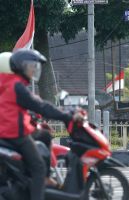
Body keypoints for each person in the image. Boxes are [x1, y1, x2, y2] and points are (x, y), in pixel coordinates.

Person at [0, 49, 77, 200]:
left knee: (44, 136)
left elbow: (22, 106)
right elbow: (40, 105)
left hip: (7, 130)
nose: (34, 69)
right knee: (39, 167)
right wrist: (65, 115)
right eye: (30, 66)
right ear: (20, 67)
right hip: (14, 133)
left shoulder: (8, 83)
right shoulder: (17, 86)